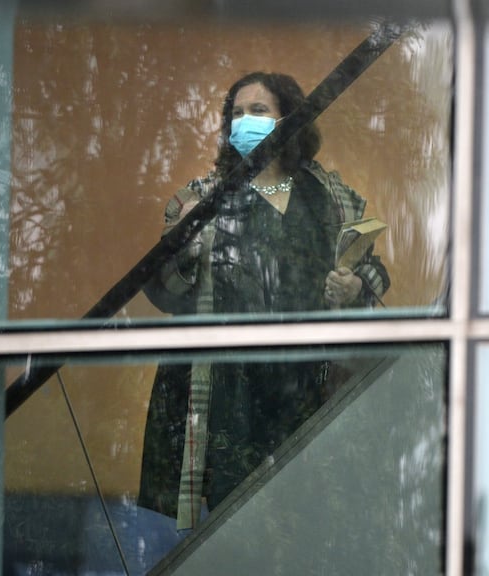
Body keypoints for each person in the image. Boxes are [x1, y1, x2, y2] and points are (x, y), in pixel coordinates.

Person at [138, 71, 390, 530]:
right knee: (238, 527)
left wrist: (354, 287)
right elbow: (162, 292)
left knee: (311, 522)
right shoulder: (202, 199)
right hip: (227, 397)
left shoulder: (330, 195)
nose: (245, 121)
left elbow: (374, 268)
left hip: (309, 390)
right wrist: (186, 243)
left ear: (288, 120)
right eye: (236, 113)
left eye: (258, 111)